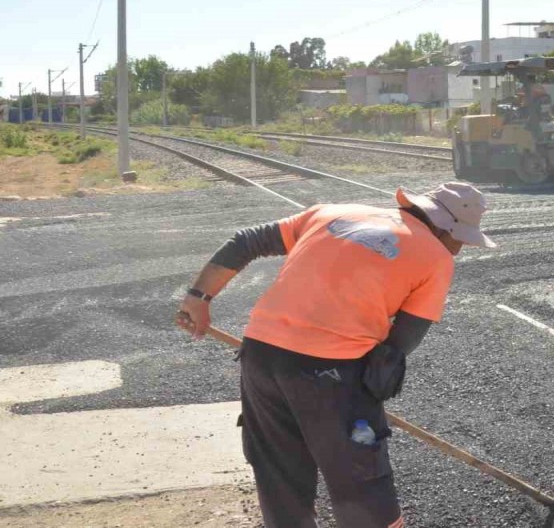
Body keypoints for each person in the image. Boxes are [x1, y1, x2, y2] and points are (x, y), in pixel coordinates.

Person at [176, 182, 496, 528]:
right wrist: (358, 399)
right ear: (445, 227)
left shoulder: (331, 213)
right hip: (332, 373)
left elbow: (246, 241)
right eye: (461, 238)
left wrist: (199, 297)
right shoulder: (436, 258)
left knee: (280, 474)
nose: (460, 248)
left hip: (262, 357)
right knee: (360, 481)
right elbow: (399, 344)